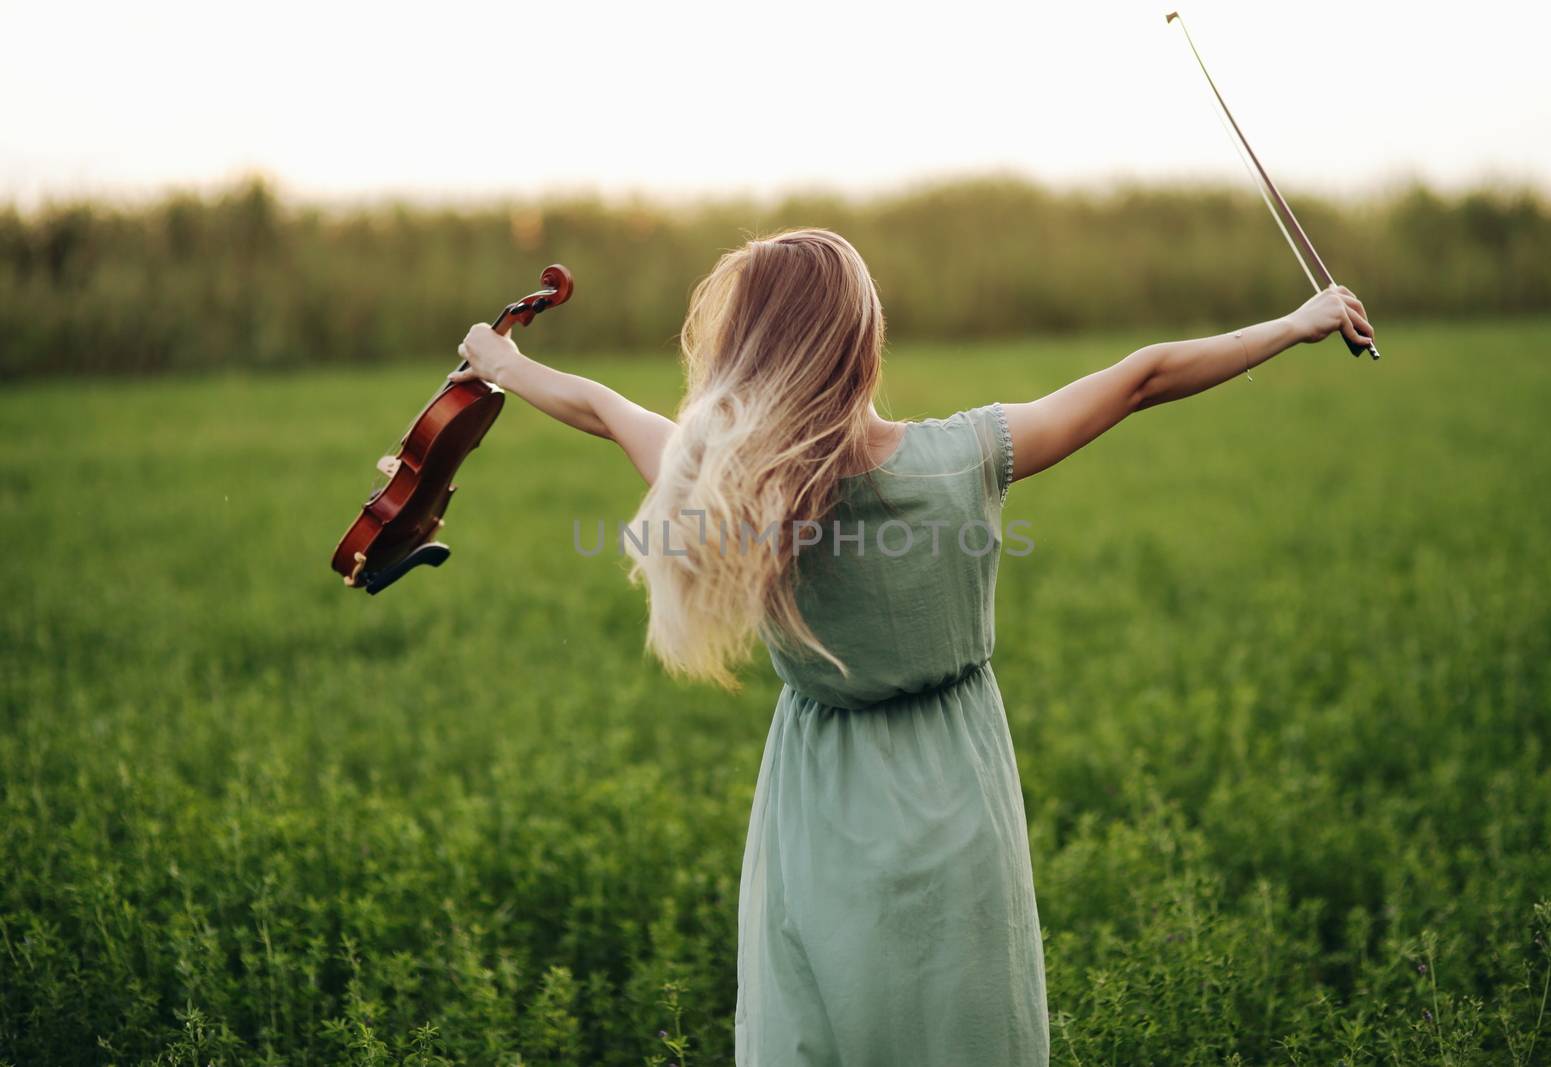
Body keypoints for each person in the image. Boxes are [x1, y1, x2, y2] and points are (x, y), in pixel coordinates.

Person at [452, 228, 1375, 1066]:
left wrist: (501, 360)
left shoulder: (733, 486)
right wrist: (1298, 321)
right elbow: (1143, 377)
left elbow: (602, 407)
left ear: (749, 351)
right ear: (863, 343)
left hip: (818, 792)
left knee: (821, 1024)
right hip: (955, 785)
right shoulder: (966, 456)